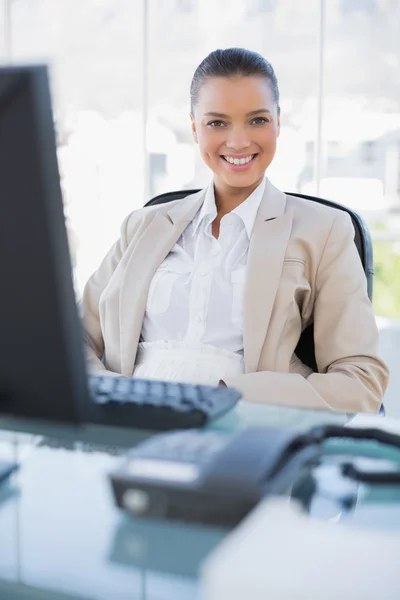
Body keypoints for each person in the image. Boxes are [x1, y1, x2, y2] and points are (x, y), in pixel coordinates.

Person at [81, 47, 389, 413]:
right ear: (195, 127)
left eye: (257, 120)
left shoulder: (324, 230)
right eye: (217, 123)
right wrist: (116, 394)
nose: (239, 142)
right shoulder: (143, 225)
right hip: (126, 421)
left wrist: (231, 395)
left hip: (242, 429)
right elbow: (71, 339)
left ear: (278, 122)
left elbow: (361, 381)